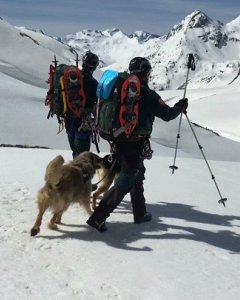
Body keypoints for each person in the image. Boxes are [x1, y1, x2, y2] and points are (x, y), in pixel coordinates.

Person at [87, 56, 188, 232]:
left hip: (118, 139)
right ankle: (98, 218)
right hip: (134, 143)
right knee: (125, 181)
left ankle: (140, 213)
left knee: (137, 174)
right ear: (144, 72)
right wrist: (180, 107)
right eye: (148, 72)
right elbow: (167, 114)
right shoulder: (146, 93)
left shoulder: (118, 87)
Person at [64, 51, 99, 158]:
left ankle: (73, 172)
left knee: (75, 151)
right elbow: (96, 103)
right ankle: (77, 173)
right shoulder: (93, 82)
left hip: (68, 119)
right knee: (82, 155)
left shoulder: (72, 78)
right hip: (83, 121)